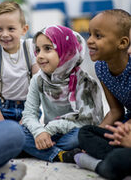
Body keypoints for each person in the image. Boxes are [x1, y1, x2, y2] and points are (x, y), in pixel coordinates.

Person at [21, 25, 104, 163]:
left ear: (67, 50)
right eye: (37, 50)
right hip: (49, 134)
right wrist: (39, 132)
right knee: (18, 133)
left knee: (82, 136)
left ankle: (39, 149)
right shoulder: (38, 79)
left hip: (72, 134)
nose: (40, 55)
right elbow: (29, 114)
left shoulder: (85, 82)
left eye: (48, 48)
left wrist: (50, 129)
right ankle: (61, 155)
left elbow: (87, 121)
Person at [71, 9, 131, 180]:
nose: (89, 41)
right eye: (89, 34)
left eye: (98, 36)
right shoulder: (101, 67)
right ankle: (119, 154)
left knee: (116, 159)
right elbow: (115, 111)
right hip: (127, 122)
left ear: (122, 43)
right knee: (85, 134)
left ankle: (104, 163)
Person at [0, 1, 39, 123]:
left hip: (29, 107)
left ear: (24, 29)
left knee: (27, 139)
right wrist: (0, 121)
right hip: (2, 109)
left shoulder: (31, 47)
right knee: (0, 138)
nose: (5, 34)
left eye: (11, 29)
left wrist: (27, 117)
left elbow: (38, 84)